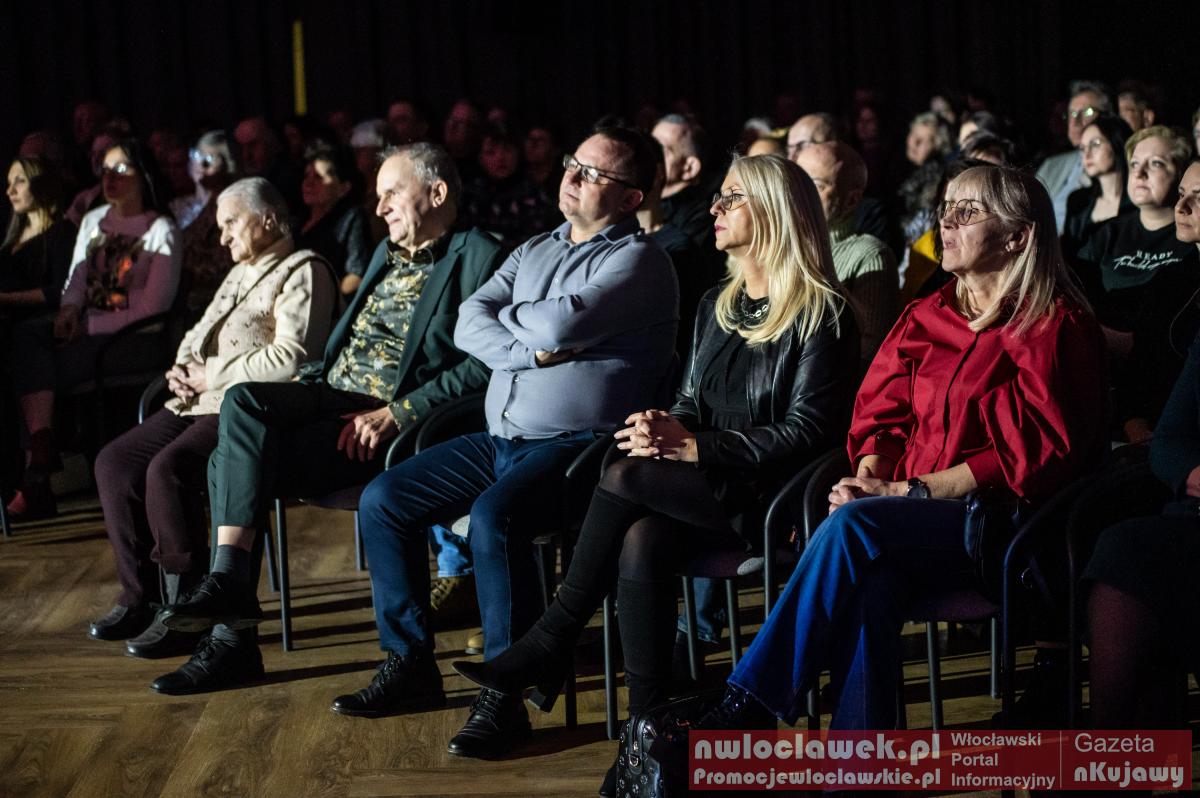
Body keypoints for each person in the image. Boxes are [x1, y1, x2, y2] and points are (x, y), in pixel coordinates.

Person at [452, 154, 860, 790]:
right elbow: (692, 404)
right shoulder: (718, 303)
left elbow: (808, 431)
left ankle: (552, 636)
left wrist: (696, 448)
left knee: (625, 474)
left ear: (775, 213)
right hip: (703, 484)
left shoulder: (822, 312)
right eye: (718, 197)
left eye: (731, 198)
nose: (714, 208)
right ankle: (646, 745)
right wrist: (661, 425)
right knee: (640, 536)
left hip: (772, 496)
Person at [696, 164, 1107, 733]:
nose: (947, 222)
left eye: (968, 211)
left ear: (1018, 236)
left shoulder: (1053, 326)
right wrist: (870, 477)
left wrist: (905, 492)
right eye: (945, 208)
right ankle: (860, 767)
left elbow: (1036, 451)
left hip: (1004, 526)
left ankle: (750, 703)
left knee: (853, 526)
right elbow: (882, 415)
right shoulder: (927, 314)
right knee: (872, 582)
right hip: (900, 517)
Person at [323, 128, 677, 761]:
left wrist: (517, 324)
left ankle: (505, 698)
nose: (572, 177)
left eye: (593, 173)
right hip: (499, 438)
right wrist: (530, 350)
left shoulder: (639, 260)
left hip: (582, 450)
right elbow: (468, 321)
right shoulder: (534, 247)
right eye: (573, 163)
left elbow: (561, 323)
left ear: (631, 198)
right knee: (385, 498)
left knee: (494, 518)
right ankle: (409, 662)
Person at [148, 143, 506, 695]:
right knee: (243, 403)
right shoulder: (386, 252)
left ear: (437, 194)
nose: (380, 207)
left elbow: (484, 364)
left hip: (395, 417)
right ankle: (229, 586)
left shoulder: (479, 254)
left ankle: (231, 639)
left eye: (392, 193)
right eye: (378, 195)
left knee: (228, 463)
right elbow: (340, 350)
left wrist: (399, 412)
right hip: (330, 393)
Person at [88, 177, 337, 657]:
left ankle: (186, 607)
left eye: (230, 223)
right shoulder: (240, 271)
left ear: (267, 218)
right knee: (114, 463)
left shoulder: (305, 270)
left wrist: (212, 374)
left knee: (168, 469)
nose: (222, 237)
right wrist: (182, 368)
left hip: (247, 409)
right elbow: (199, 331)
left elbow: (295, 356)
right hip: (198, 399)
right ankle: (142, 596)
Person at [7, 139, 181, 520]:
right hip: (88, 328)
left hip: (135, 338)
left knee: (33, 372)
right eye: (104, 170)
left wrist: (89, 325)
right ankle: (40, 457)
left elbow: (153, 308)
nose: (109, 178)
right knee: (26, 338)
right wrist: (69, 311)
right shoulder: (94, 219)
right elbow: (76, 277)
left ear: (143, 175)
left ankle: (37, 472)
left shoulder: (160, 229)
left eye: (120, 169)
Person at [1085, 160, 1200, 728]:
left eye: (1198, 196)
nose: (1182, 206)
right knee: (1121, 547)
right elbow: (1172, 435)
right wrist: (1191, 472)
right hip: (1192, 504)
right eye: (1183, 193)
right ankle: (1119, 753)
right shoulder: (1176, 287)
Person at [1076, 126, 1198, 442]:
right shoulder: (1106, 235)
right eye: (1134, 164)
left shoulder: (1190, 247)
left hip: (1154, 374)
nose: (1140, 173)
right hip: (1104, 370)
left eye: (1156, 163)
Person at [795, 142, 899, 364]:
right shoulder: (777, 245)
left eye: (815, 186)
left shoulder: (870, 255)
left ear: (851, 200)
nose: (799, 194)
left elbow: (868, 352)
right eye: (796, 182)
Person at [168, 131, 239, 314]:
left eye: (210, 158)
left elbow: (223, 262)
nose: (202, 164)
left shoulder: (231, 207)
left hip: (209, 301)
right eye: (198, 156)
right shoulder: (194, 204)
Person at [0, 157, 74, 323]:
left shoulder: (63, 232)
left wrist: (6, 299)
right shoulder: (13, 231)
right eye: (9, 183)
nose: (10, 191)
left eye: (20, 181)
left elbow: (59, 290)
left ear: (42, 184)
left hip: (31, 324)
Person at [296, 143, 372, 297]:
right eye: (307, 175)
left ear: (343, 188)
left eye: (319, 177)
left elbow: (357, 275)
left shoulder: (353, 218)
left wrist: (327, 302)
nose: (308, 183)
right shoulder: (297, 221)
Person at [1036, 80, 1112, 232]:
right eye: (1072, 113)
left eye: (1087, 112)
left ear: (1108, 117)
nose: (1076, 122)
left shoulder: (1112, 165)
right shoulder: (1052, 164)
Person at [1061, 115, 1134, 263]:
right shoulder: (1077, 200)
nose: (1086, 154)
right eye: (1082, 148)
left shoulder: (1138, 201)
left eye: (1095, 144)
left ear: (1117, 143)